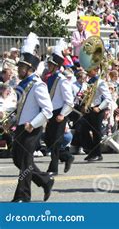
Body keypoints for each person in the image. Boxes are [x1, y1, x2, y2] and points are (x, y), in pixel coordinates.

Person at [11, 34, 54, 202]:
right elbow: (21, 109)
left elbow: (48, 110)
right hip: (22, 127)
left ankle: (23, 196)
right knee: (17, 159)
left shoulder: (38, 84)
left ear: (29, 68)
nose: (18, 69)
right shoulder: (22, 84)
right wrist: (12, 121)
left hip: (32, 128)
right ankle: (45, 180)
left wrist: (33, 123)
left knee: (25, 163)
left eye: (22, 66)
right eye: (19, 65)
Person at [44, 45, 75, 175]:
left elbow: (70, 101)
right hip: (51, 113)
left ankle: (53, 168)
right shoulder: (50, 77)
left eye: (50, 64)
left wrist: (62, 114)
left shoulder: (62, 80)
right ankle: (67, 157)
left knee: (55, 141)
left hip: (59, 113)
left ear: (56, 66)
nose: (48, 66)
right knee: (48, 139)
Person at [80, 65, 113, 162]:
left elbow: (108, 98)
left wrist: (99, 107)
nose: (87, 71)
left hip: (97, 109)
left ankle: (97, 154)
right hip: (89, 109)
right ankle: (91, 150)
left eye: (90, 70)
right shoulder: (89, 81)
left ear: (96, 70)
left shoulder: (100, 82)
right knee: (83, 129)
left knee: (96, 132)